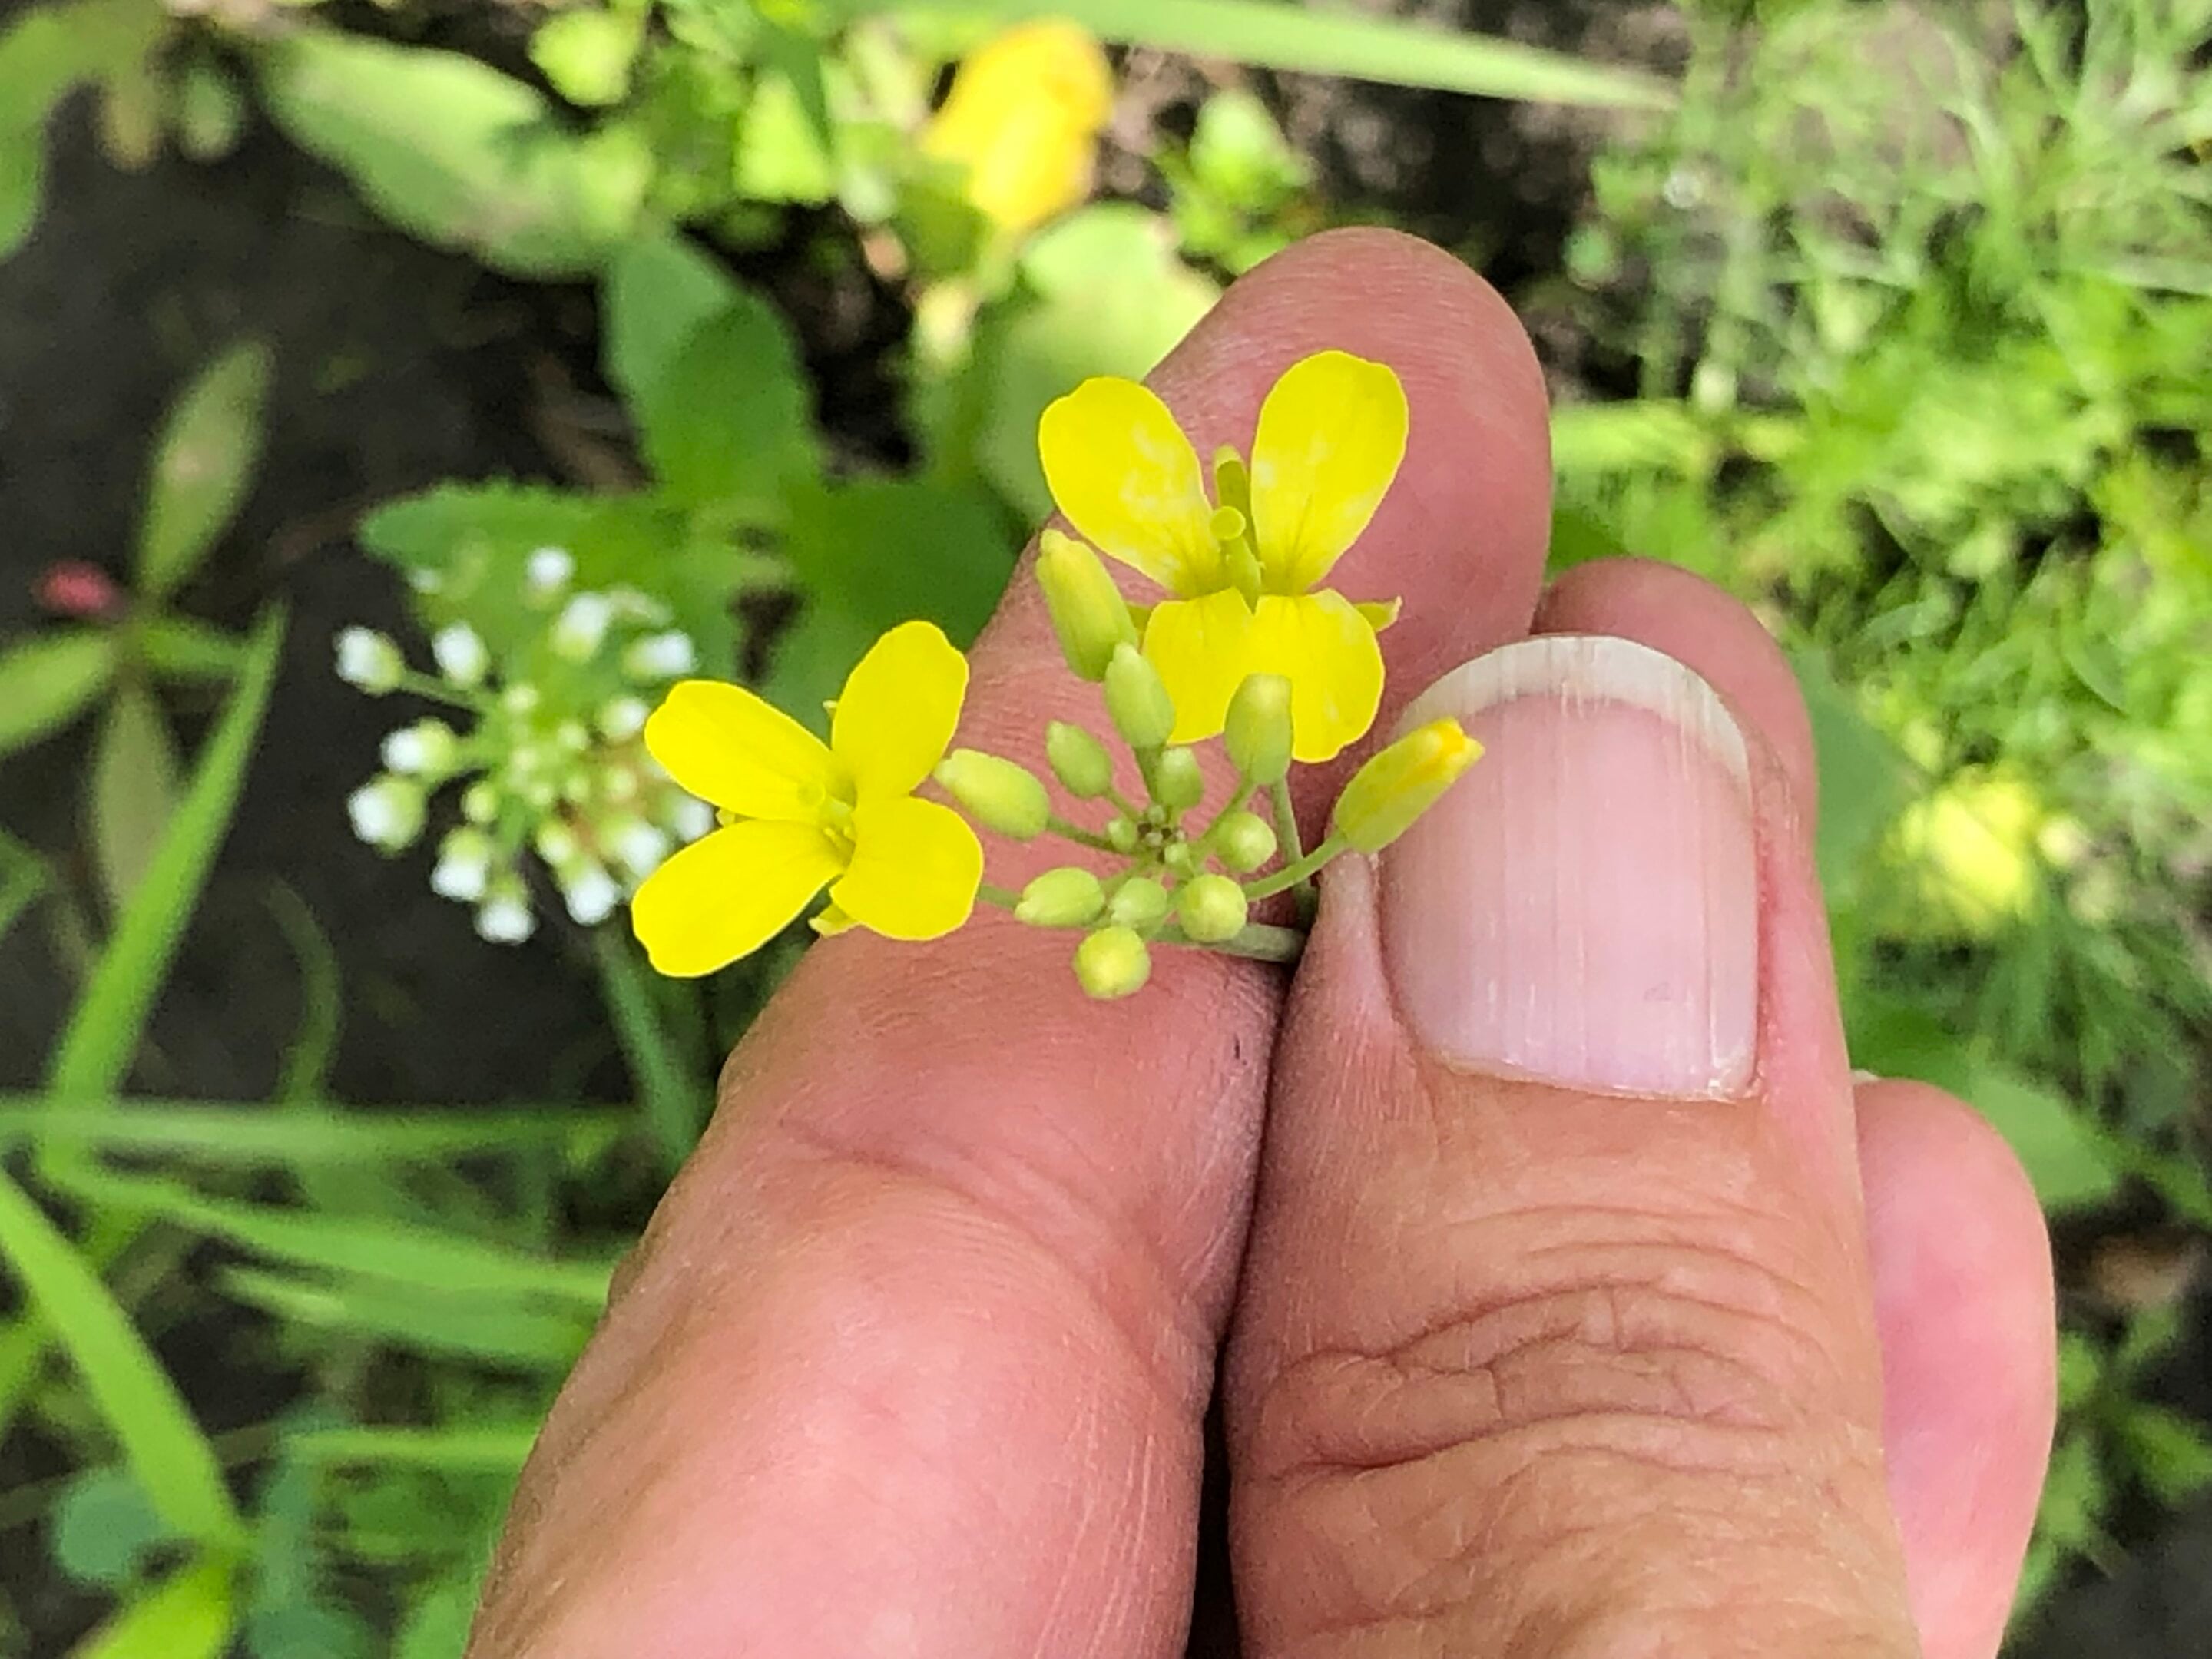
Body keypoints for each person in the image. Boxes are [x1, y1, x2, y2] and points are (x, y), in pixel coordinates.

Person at [465, 230, 2055, 1658]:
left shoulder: (1160, 690)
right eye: (1217, 563)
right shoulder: (947, 825)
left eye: (1241, 558)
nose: (1226, 553)